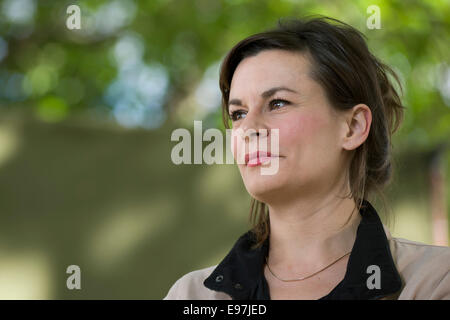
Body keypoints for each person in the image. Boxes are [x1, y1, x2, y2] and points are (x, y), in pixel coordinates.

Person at [164, 16, 450, 300]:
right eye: (238, 113)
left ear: (353, 127)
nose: (248, 129)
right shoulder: (192, 296)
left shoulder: (433, 281)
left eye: (277, 103)